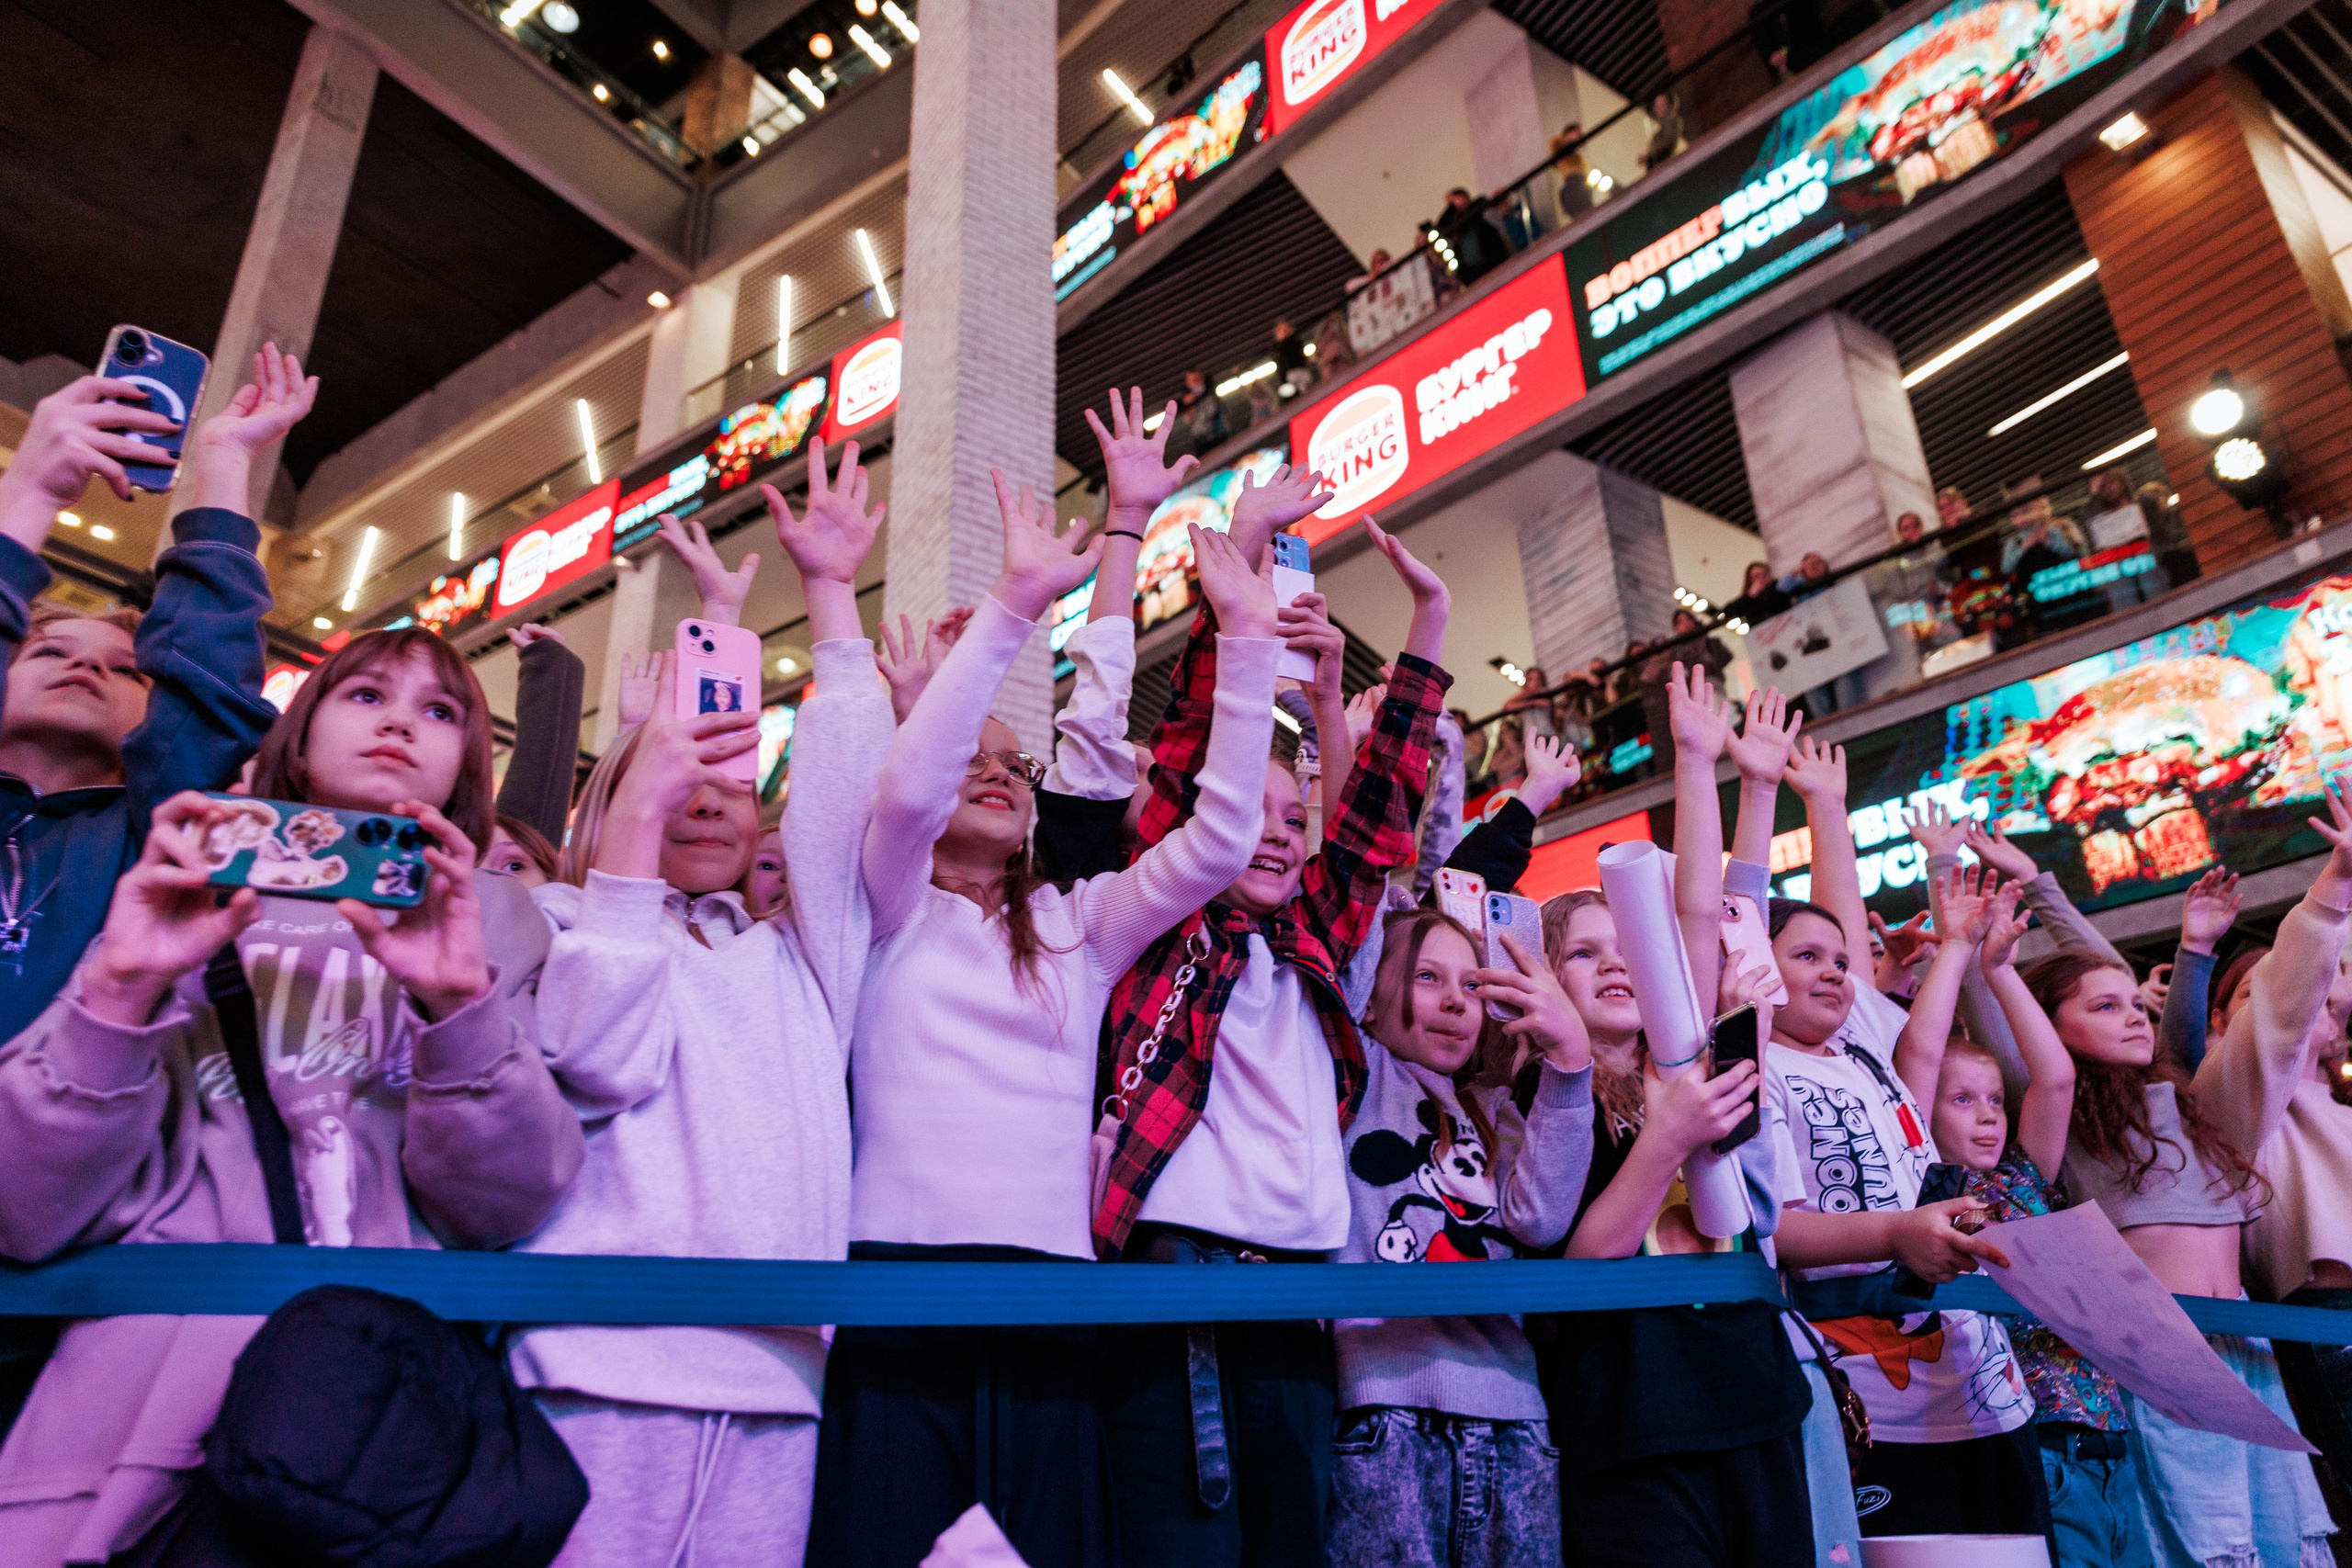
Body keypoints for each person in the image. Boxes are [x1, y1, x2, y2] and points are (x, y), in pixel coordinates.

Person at [0, 623, 582, 1566]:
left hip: (368, 1416)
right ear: (297, 740)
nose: (401, 723)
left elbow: (502, 1206)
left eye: (439, 712)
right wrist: (117, 991)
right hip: (144, 1404)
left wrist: (455, 1007)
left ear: (464, 766)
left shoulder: (499, 918)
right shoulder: (182, 882)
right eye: (364, 695)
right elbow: (24, 1210)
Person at [808, 468, 1285, 1568]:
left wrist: (1250, 645)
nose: (1000, 776)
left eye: (1013, 768)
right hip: (892, 1295)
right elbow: (904, 790)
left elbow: (1214, 847)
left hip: (1057, 1300)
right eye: (975, 761)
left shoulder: (1080, 923)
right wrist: (1013, 610)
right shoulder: (880, 904)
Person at [508, 439, 894, 1568]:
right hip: (590, 1360)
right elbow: (597, 1058)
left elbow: (838, 803)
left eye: (737, 790)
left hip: (777, 1371)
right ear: (624, 794)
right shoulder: (568, 927)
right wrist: (629, 844)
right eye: (684, 780)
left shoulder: (799, 958)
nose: (714, 804)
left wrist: (830, 599)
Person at [1094, 512, 1453, 1568]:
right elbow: (1186, 751)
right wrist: (1236, 611)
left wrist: (1428, 620)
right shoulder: (1165, 927)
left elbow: (1380, 808)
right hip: (1179, 1286)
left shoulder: (1311, 937)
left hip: (1301, 1291)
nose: (1281, 830)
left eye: (1292, 818)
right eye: (1246, 813)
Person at [2020, 779, 2352, 1568]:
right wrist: (1999, 931)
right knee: (2195, 1546)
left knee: (2285, 1543)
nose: (2132, 1011)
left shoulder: (2203, 1107)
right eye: (2101, 1008)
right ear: (2047, 1030)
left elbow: (2275, 1019)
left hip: (2250, 1356)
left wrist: (2333, 891)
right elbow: (2023, 1032)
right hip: (2152, 1356)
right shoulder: (2057, 1116)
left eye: (2132, 1003)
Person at [1533, 675, 1817, 1568]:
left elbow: (1704, 916)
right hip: (1635, 1421)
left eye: (1626, 945)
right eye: (1583, 952)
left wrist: (1711, 769)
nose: (1617, 964)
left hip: (1752, 1394)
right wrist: (1665, 1140)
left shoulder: (1687, 1055)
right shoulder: (1550, 1096)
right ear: (1544, 977)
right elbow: (1582, 1265)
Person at [1759, 737, 2045, 1542]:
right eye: (1804, 956)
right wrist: (1818, 808)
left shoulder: (1866, 1056)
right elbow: (1778, 1225)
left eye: (1841, 962)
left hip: (1986, 1382)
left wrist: (1956, 944)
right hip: (1877, 1398)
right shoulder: (1756, 1066)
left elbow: (1918, 1050)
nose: (1833, 971)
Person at [0, 351, 311, 1046]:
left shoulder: (155, 840)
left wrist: (225, 461)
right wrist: (27, 498)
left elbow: (205, 682)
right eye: (49, 650)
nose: (84, 663)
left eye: (126, 671)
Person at [1326, 907, 1594, 1568]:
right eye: (1426, 976)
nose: (1454, 1000)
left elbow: (1540, 1217)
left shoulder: (1493, 1108)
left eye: (1471, 985)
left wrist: (1571, 1060)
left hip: (1516, 1419)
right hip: (1385, 1409)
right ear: (1371, 993)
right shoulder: (1353, 1077)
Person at [1930, 877, 2154, 1568]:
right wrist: (1957, 952)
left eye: (1995, 1097)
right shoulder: (1929, 1196)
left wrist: (1999, 968)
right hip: (2037, 1445)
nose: (1990, 1113)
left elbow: (2054, 1075)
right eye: (1962, 1099)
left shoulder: (2027, 1173)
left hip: (2111, 1436)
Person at [1434, 189, 1510, 287]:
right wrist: (1451, 208)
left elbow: (1478, 206)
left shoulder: (1478, 209)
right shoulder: (1456, 226)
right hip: (1472, 274)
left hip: (1493, 264)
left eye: (1453, 203)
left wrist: (1461, 205)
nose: (1453, 206)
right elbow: (1441, 228)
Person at [1551, 124, 1593, 219]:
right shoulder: (1561, 151)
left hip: (1582, 186)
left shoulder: (1579, 158)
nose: (1579, 136)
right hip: (1571, 187)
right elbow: (1555, 144)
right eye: (1576, 133)